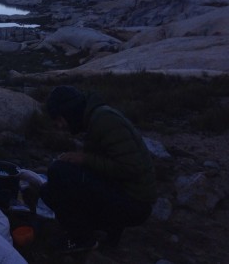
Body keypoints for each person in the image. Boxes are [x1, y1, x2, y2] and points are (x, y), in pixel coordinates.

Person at [38, 85, 157, 254]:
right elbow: (109, 161)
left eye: (58, 118)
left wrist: (84, 159)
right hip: (127, 195)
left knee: (58, 172)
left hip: (136, 203)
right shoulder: (95, 118)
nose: (58, 125)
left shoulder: (104, 119)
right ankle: (110, 229)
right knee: (49, 190)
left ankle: (81, 239)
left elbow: (132, 168)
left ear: (69, 111)